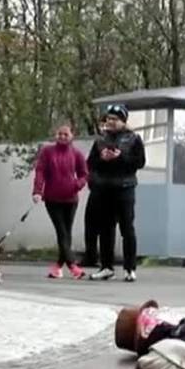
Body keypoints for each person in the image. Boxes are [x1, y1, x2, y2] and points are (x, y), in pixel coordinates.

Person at [87, 104, 146, 282]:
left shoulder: (134, 139)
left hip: (125, 188)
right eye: (109, 119)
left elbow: (140, 162)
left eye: (115, 119)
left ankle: (129, 268)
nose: (111, 122)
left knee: (127, 228)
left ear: (123, 121)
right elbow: (91, 163)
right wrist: (102, 158)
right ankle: (106, 267)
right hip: (104, 188)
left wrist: (120, 157)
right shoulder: (100, 140)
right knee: (105, 229)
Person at [31, 124, 89, 280]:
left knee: (66, 233)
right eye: (59, 134)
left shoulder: (76, 154)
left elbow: (85, 174)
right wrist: (37, 191)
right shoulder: (47, 152)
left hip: (71, 199)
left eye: (66, 134)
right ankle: (73, 266)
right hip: (52, 198)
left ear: (72, 136)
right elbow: (40, 171)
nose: (62, 137)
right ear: (55, 135)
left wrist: (77, 184)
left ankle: (57, 267)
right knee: (61, 231)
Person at [80, 115, 109, 269]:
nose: (104, 127)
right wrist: (91, 180)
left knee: (107, 226)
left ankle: (105, 260)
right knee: (90, 223)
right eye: (102, 124)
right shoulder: (98, 143)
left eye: (106, 124)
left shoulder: (122, 142)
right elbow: (89, 164)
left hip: (112, 190)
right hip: (97, 188)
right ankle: (90, 255)